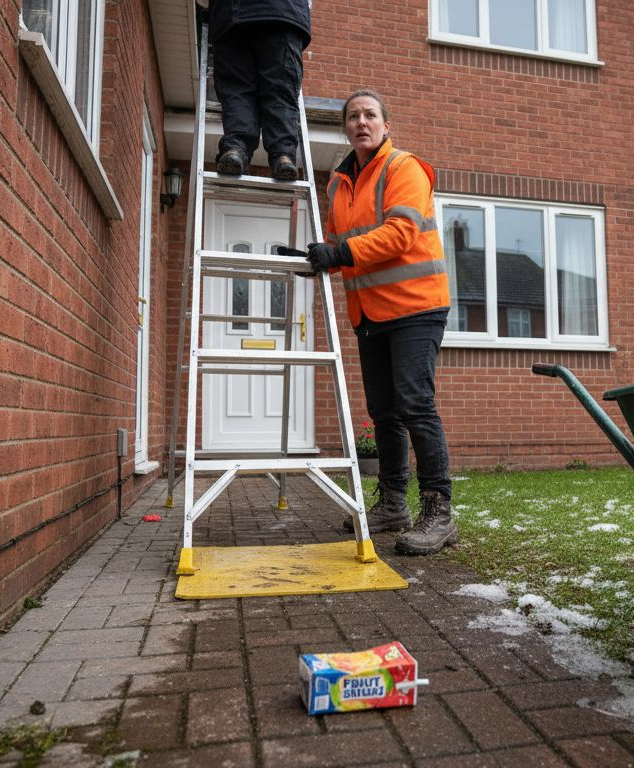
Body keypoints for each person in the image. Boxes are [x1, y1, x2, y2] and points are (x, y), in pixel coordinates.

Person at [306, 89, 457, 556]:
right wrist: (312, 259)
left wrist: (339, 252)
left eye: (370, 115)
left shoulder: (403, 168)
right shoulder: (338, 184)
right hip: (370, 313)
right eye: (353, 116)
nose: (361, 122)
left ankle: (439, 512)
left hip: (416, 306)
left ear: (386, 125)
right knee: (384, 414)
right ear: (345, 128)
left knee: (415, 405)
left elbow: (400, 234)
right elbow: (341, 247)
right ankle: (393, 504)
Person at [206, 0, 309, 182]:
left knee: (236, 89)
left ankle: (236, 149)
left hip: (232, 15)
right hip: (283, 12)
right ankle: (283, 156)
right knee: (281, 92)